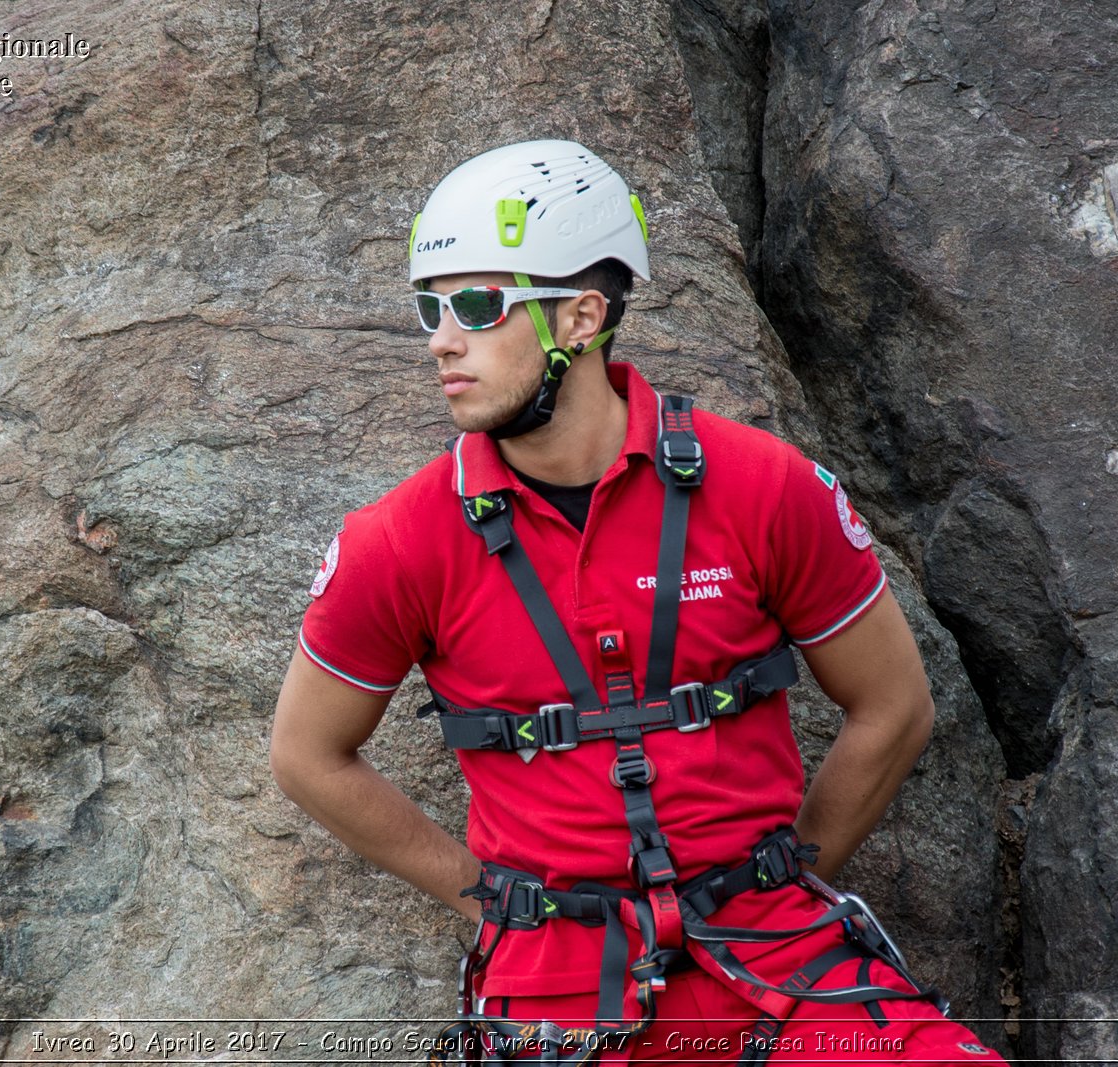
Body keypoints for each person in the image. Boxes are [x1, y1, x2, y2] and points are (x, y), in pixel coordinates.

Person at [270, 139, 1006, 1065]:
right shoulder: (401, 541)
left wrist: (786, 874)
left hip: (782, 954)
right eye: (431, 306)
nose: (441, 339)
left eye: (477, 305)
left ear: (581, 316)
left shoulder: (762, 485)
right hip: (556, 991)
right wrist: (491, 901)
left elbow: (895, 707)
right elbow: (306, 753)